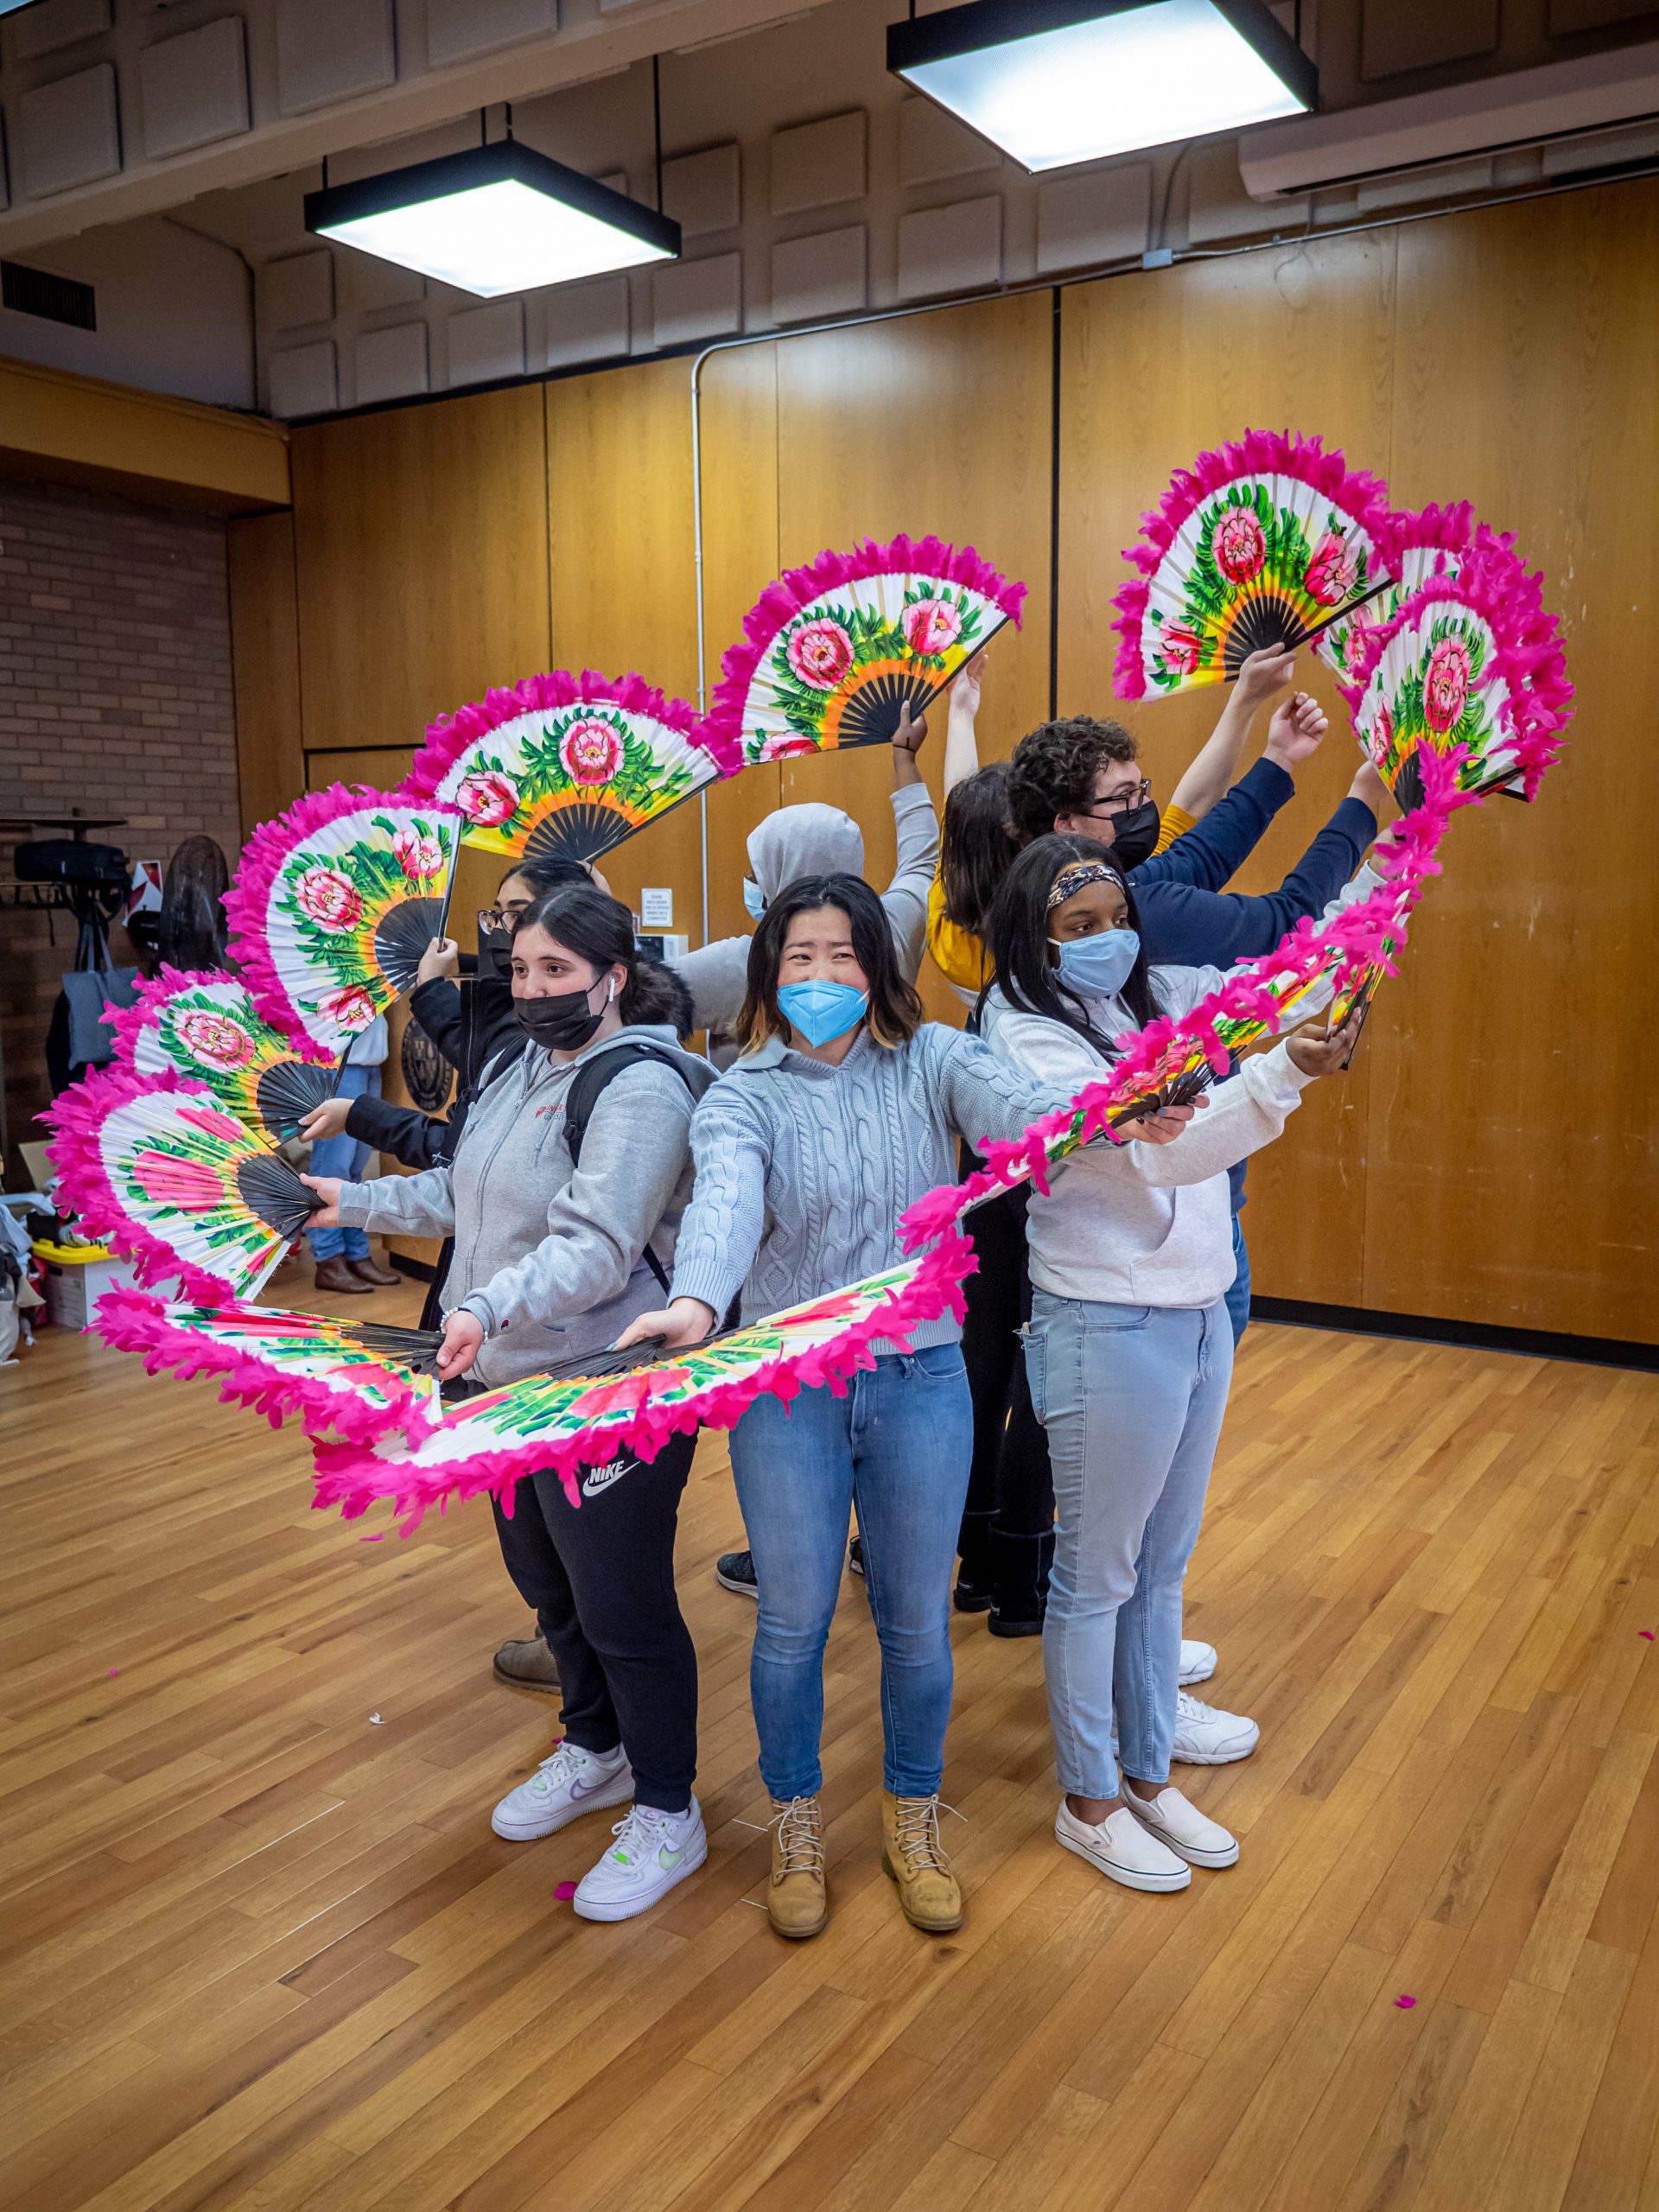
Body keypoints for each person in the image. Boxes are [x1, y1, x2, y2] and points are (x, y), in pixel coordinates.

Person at [616, 873, 1181, 1942]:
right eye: (799, 957)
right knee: (791, 1622)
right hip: (790, 1389)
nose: (822, 976)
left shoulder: (931, 1060)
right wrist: (696, 1301)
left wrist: (1112, 1107)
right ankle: (796, 1824)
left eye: (843, 954)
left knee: (916, 1624)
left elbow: (1023, 1114)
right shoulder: (742, 1091)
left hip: (923, 1378)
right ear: (767, 972)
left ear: (876, 962)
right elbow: (726, 1202)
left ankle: (913, 1819)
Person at [302, 882, 709, 1923]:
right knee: (548, 1583)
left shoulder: (640, 1086)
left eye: (557, 973)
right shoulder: (522, 1065)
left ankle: (669, 1808)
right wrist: (351, 1200)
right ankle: (595, 1749)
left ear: (612, 977)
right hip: (499, 1379)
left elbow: (597, 1243)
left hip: (602, 1389)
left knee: (622, 1603)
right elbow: (459, 1189)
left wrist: (484, 1301)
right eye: (521, 969)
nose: (531, 990)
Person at [979, 837, 1363, 1892]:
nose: (1108, 938)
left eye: (1116, 917)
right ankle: (1089, 1798)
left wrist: (1357, 936)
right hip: (1106, 1321)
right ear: (1034, 937)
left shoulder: (1140, 1010)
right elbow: (1163, 1151)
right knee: (1095, 1576)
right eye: (1079, 926)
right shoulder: (1023, 1037)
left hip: (1193, 1309)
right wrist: (1286, 1071)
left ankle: (1146, 1775)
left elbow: (1283, 983)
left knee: (1161, 1570)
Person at [300, 855, 603, 1694]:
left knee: (562, 1514)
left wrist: (428, 1004)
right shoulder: (517, 1031)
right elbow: (459, 1166)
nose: (504, 936)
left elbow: (462, 1162)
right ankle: (576, 1662)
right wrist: (356, 1164)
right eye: (500, 919)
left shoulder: (579, 1053)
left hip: (549, 1332)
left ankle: (584, 1666)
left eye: (525, 921)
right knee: (518, 1498)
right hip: (487, 1317)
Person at [673, 702, 939, 1036]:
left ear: (780, 877)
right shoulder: (891, 934)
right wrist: (904, 757)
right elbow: (921, 861)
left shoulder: (743, 964)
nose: (749, 880)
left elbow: (639, 996)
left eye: (756, 871)